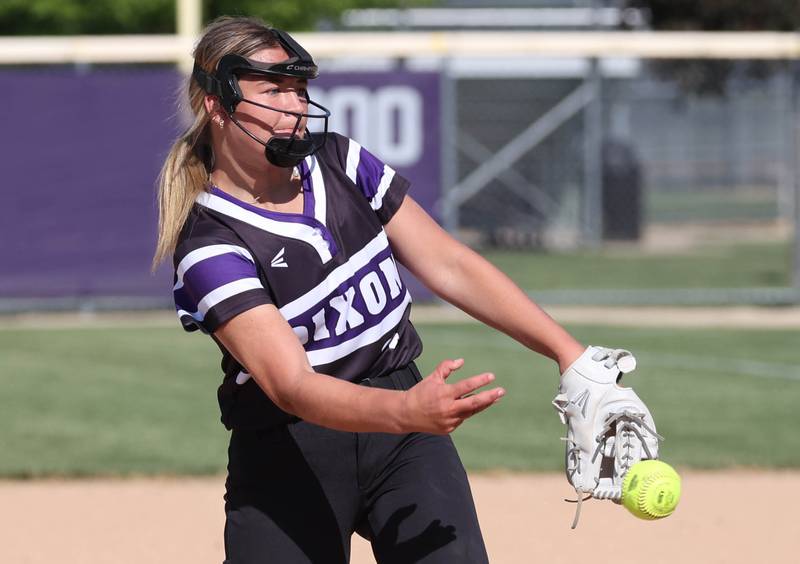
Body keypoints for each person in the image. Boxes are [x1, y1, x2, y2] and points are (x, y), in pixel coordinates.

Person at [154, 16, 587, 564]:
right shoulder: (210, 243)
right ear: (217, 105)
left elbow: (448, 264)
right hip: (291, 448)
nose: (293, 105)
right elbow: (291, 385)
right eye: (272, 90)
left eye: (299, 89)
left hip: (402, 431)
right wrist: (406, 411)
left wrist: (567, 352)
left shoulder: (337, 160)